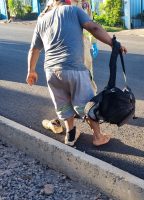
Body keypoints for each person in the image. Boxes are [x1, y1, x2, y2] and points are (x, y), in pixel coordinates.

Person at [26, 0, 127, 146]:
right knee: (87, 104)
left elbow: (34, 49)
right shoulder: (73, 10)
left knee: (63, 105)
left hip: (51, 72)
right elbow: (94, 28)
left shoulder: (42, 19)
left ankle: (70, 136)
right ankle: (98, 136)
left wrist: (31, 71)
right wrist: (114, 43)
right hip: (73, 68)